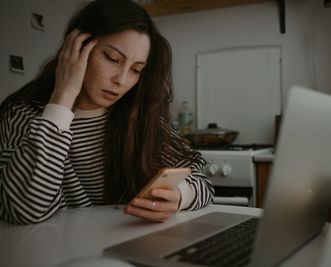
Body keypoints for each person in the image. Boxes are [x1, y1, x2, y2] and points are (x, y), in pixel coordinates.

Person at [0, 0, 214, 224]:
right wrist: (62, 98)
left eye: (135, 70)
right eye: (112, 59)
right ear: (76, 49)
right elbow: (25, 209)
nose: (121, 80)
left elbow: (202, 182)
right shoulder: (23, 115)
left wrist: (180, 196)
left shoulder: (140, 117)